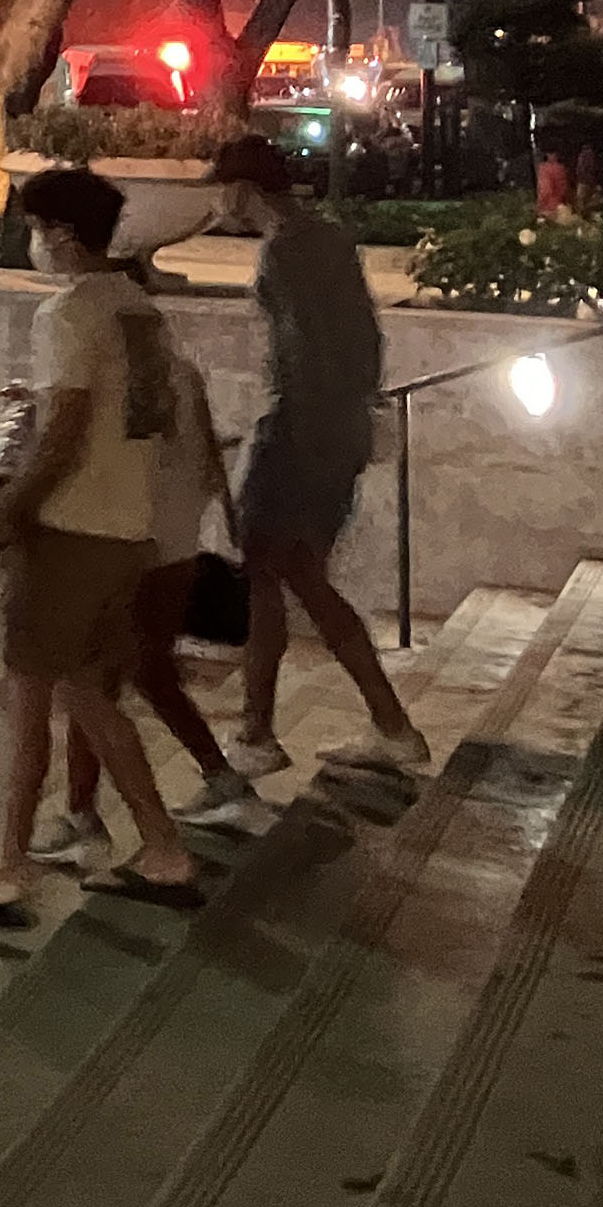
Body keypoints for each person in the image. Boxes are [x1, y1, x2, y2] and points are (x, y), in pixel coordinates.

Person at [0, 164, 204, 924]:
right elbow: (138, 421)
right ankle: (163, 849)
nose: (34, 244)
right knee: (90, 692)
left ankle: (9, 868)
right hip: (128, 530)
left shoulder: (68, 314)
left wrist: (6, 516)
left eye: (35, 229)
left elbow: (62, 436)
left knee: (24, 697)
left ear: (59, 236)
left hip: (69, 534)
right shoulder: (139, 309)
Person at [208, 135, 426, 775]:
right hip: (339, 431)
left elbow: (303, 350)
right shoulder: (327, 238)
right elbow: (363, 337)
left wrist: (284, 431)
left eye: (221, 187)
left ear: (243, 190)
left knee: (270, 574)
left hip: (302, 433)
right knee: (295, 577)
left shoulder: (283, 252)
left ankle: (261, 734)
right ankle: (377, 725)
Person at [43, 338, 261, 867]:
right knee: (149, 673)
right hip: (177, 548)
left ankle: (89, 819)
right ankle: (219, 778)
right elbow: (208, 463)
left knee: (91, 681)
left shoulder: (109, 376)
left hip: (134, 551)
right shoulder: (181, 371)